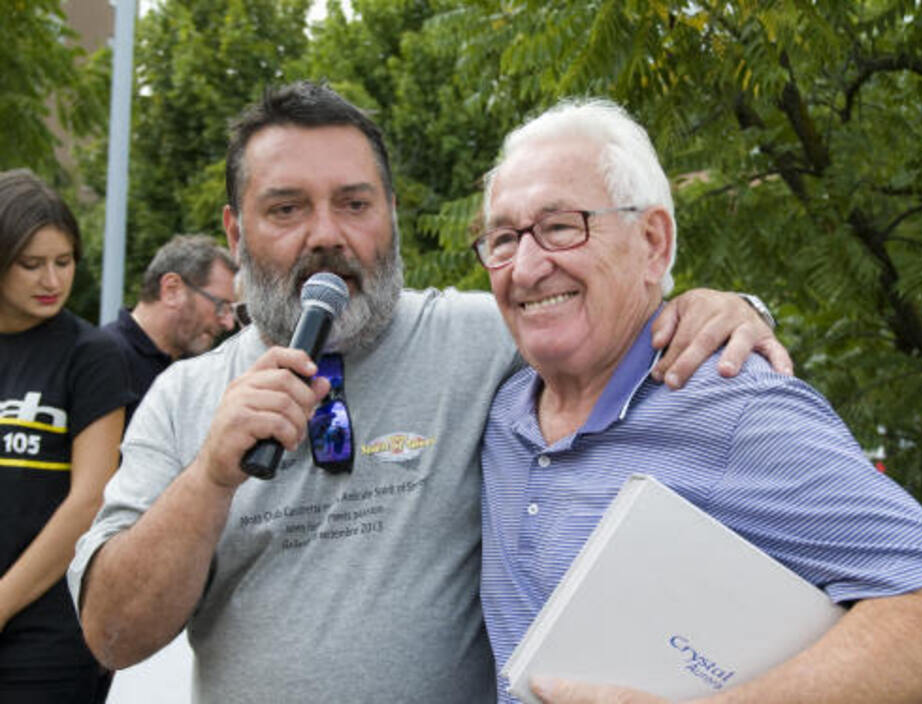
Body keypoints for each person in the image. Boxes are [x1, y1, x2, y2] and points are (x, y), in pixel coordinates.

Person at [68, 82, 787, 702]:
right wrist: (210, 477)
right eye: (286, 209)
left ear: (390, 213)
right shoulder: (183, 398)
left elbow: (611, 314)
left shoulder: (489, 340)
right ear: (235, 231)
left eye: (354, 203)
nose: (326, 235)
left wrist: (729, 307)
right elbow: (112, 636)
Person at [475, 99, 922, 704]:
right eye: (504, 239)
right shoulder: (499, 409)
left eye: (561, 227)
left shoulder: (735, 407)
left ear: (652, 242)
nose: (526, 268)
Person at [0, 169, 132, 702]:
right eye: (31, 264)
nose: (52, 280)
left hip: (47, 635)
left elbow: (90, 500)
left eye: (64, 261)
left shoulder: (91, 355)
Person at [102, 233, 238, 425]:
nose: (228, 324)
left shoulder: (193, 372)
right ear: (172, 290)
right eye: (221, 306)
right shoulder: (104, 359)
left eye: (232, 311)